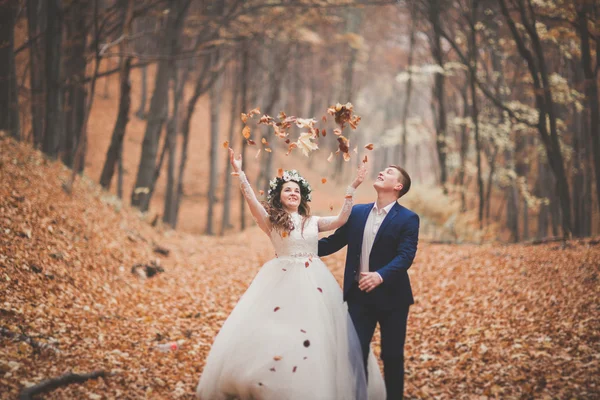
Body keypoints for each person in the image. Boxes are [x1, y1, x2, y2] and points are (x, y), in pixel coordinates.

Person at [196, 148, 386, 400]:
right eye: (288, 189)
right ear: (279, 196)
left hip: (314, 280)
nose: (293, 193)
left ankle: (314, 383)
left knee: (317, 330)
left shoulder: (312, 221)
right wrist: (240, 173)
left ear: (302, 196)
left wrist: (352, 186)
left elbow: (341, 220)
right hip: (280, 278)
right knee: (278, 327)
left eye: (297, 190)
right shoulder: (271, 221)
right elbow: (252, 202)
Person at [318, 165, 419, 400]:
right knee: (354, 354)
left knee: (392, 355)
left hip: (393, 299)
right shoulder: (358, 212)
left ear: (398, 186)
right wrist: (299, 245)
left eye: (390, 172)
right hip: (358, 298)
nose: (382, 172)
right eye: (383, 170)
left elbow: (405, 256)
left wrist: (380, 275)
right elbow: (333, 243)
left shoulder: (408, 218)